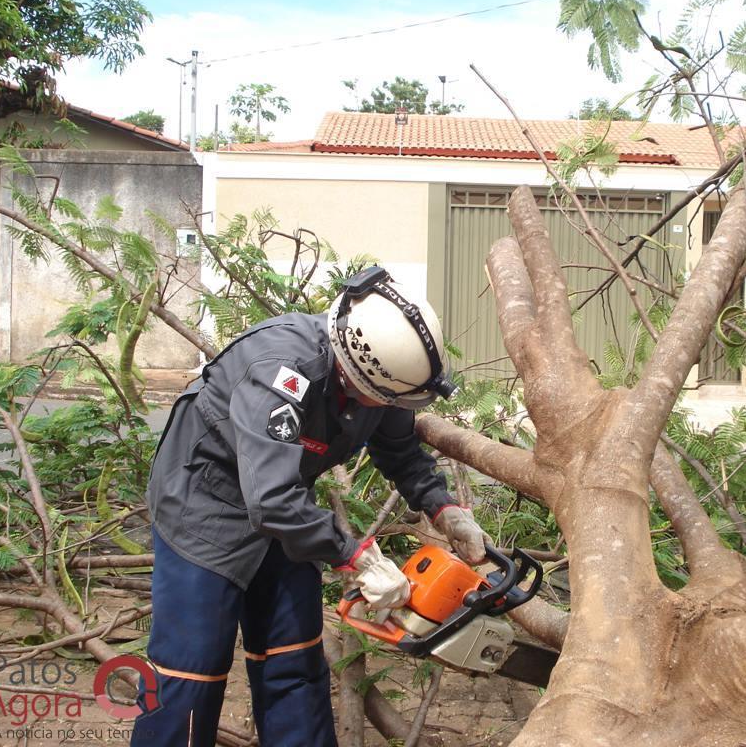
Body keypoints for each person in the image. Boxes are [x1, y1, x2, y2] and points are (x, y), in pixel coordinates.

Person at [131, 266, 491, 747]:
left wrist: (444, 508)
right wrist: (357, 556)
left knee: (293, 658)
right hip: (203, 505)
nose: (385, 407)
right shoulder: (280, 371)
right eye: (382, 400)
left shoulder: (383, 376)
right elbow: (271, 498)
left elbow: (399, 449)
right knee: (191, 669)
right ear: (350, 370)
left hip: (284, 505)